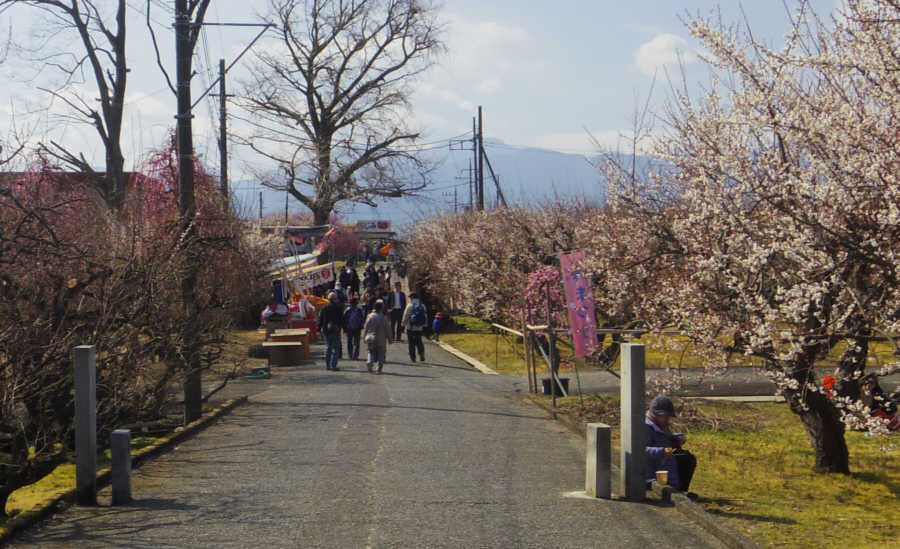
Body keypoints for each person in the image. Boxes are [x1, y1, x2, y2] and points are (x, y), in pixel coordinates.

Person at [645, 395, 696, 496]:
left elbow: (664, 437)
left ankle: (680, 489)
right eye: (665, 416)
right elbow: (640, 450)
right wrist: (662, 451)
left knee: (686, 457)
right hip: (653, 471)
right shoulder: (646, 428)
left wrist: (677, 438)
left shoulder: (660, 426)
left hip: (663, 464)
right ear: (655, 414)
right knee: (684, 459)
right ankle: (676, 491)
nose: (668, 419)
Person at [317, 291, 344, 371]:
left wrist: (319, 329)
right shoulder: (339, 308)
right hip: (336, 329)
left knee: (328, 347)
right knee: (335, 348)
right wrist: (344, 328)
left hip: (326, 330)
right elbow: (341, 319)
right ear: (335, 299)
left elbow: (321, 320)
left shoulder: (324, 308)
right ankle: (333, 365)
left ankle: (327, 365)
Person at [363, 299, 392, 373]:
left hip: (371, 337)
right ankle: (379, 369)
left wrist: (364, 336)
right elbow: (388, 329)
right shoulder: (384, 317)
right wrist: (390, 339)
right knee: (381, 354)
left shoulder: (370, 316)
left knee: (370, 351)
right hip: (381, 338)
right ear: (381, 308)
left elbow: (366, 327)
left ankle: (370, 361)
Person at [402, 292, 428, 363]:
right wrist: (425, 325)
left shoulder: (409, 306)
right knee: (419, 341)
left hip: (411, 327)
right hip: (419, 327)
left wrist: (403, 324)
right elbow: (425, 316)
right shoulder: (422, 305)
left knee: (411, 343)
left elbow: (406, 316)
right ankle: (421, 353)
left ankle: (413, 357)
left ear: (412, 298)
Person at [343, 295, 365, 361]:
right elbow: (362, 318)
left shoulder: (347, 310)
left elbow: (344, 319)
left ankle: (350, 355)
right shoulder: (359, 310)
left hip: (349, 328)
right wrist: (361, 326)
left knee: (349, 342)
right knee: (356, 343)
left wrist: (344, 328)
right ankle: (355, 355)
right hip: (357, 328)